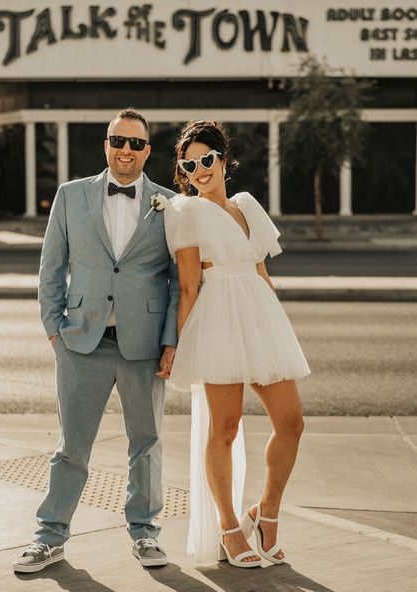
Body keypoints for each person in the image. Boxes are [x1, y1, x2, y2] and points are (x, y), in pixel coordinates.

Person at [13, 109, 178, 573]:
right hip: (81, 341)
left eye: (137, 143)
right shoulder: (71, 196)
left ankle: (145, 535)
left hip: (143, 345)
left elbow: (176, 283)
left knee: (146, 443)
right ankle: (49, 537)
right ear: (106, 144)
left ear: (148, 150)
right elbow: (51, 267)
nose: (127, 150)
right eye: (118, 140)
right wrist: (54, 330)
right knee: (71, 447)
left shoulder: (168, 203)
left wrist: (171, 341)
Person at [163, 120, 310, 567]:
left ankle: (266, 515)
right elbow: (189, 286)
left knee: (292, 422)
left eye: (207, 159)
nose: (199, 170)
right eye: (189, 165)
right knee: (223, 429)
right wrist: (177, 346)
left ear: (224, 160)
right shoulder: (184, 211)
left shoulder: (247, 205)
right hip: (218, 319)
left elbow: (262, 272)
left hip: (260, 315)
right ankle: (229, 527)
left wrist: (277, 322)